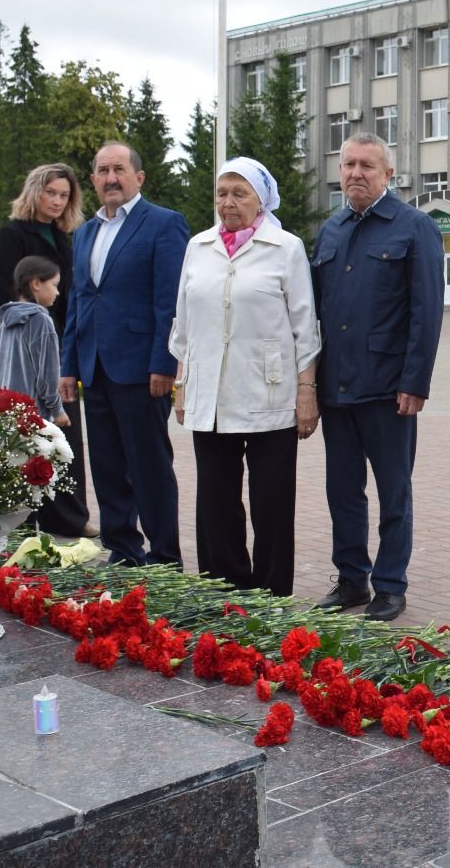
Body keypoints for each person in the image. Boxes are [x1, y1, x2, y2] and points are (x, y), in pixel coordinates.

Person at [171, 157, 321, 596]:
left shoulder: (286, 248)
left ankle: (271, 597)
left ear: (261, 201)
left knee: (271, 503)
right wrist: (181, 385)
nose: (228, 203)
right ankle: (224, 591)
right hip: (209, 392)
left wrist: (307, 393)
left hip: (269, 392)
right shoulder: (198, 246)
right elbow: (182, 322)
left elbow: (305, 326)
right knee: (215, 502)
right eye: (222, 193)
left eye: (240, 194)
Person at [311, 133, 443, 622]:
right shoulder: (331, 231)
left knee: (393, 491)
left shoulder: (413, 227)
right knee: (342, 490)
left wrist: (415, 381)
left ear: (389, 174)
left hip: (388, 388)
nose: (355, 173)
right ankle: (351, 579)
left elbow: (426, 312)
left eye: (367, 165)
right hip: (337, 387)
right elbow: (315, 312)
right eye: (348, 165)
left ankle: (389, 584)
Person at [61, 142, 191, 566]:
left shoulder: (164, 224)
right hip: (94, 367)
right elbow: (79, 303)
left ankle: (164, 554)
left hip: (141, 369)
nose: (111, 177)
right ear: (94, 179)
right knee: (107, 465)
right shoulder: (84, 233)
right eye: (102, 170)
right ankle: (122, 548)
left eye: (119, 169)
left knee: (149, 465)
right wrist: (68, 366)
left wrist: (164, 363)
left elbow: (169, 302)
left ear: (139, 177)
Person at [0, 164, 93, 538]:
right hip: (20, 341)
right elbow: (5, 296)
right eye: (51, 192)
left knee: (62, 433)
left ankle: (68, 517)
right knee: (22, 430)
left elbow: (71, 295)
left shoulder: (65, 237)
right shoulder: (11, 234)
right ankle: (18, 516)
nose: (57, 201)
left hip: (58, 340)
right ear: (35, 191)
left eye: (64, 195)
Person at [0, 256, 68, 430]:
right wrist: (57, 410)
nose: (57, 292)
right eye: (54, 285)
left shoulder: (6, 317)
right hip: (32, 412)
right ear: (36, 283)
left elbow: (0, 365)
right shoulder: (40, 320)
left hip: (5, 407)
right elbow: (47, 372)